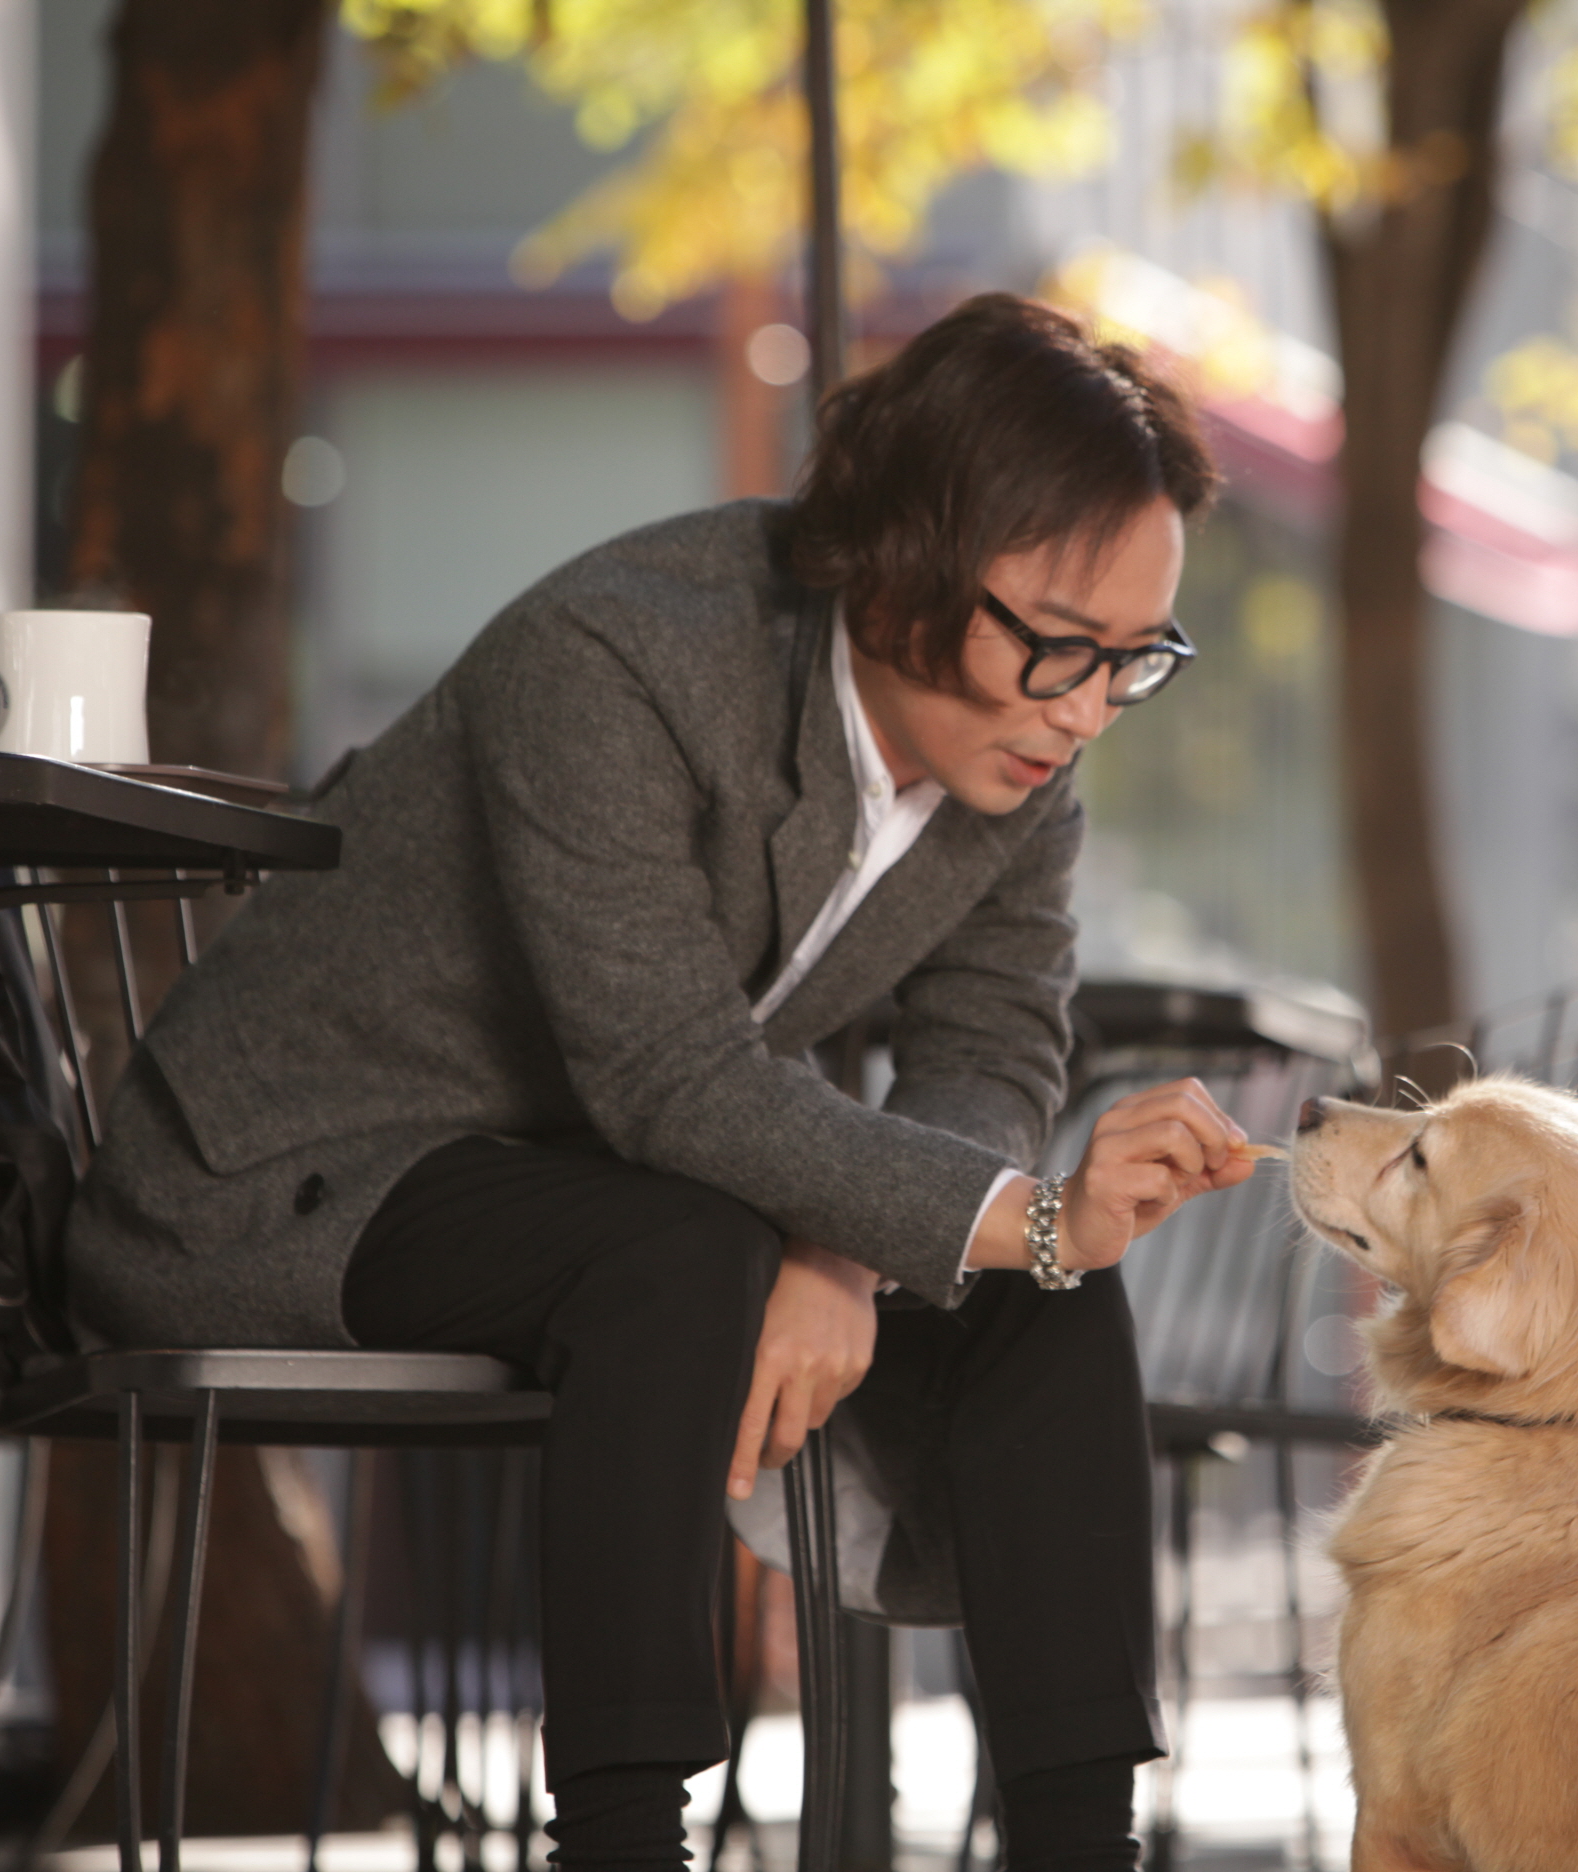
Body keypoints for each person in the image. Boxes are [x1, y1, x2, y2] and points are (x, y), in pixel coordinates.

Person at [64, 293, 1248, 1871]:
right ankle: (623, 1843)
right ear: (904, 554)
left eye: (1132, 659)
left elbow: (991, 1046)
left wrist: (864, 1245)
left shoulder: (1024, 750)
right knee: (709, 1248)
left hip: (624, 1181)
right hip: (292, 1166)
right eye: (1056, 642)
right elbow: (668, 1077)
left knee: (1037, 1286)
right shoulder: (617, 655)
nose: (1087, 704)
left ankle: (1079, 1846)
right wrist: (1004, 1216)